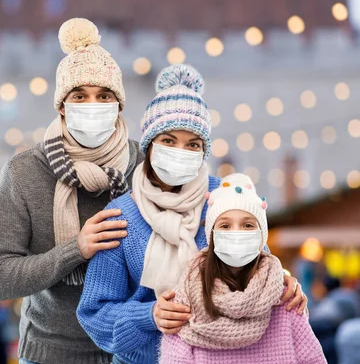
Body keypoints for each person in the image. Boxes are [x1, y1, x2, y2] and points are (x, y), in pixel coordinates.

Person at [77, 65, 307, 364]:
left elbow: (261, 271)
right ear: (149, 146)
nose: (180, 151)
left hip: (224, 356)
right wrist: (148, 315)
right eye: (169, 141)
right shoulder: (120, 217)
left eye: (193, 144)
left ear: (203, 151)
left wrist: (284, 284)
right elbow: (95, 312)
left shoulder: (226, 197)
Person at [0, 17, 144, 364]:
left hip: (138, 349)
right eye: (80, 96)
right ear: (61, 105)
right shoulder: (24, 172)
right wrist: (76, 249)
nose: (93, 105)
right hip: (51, 353)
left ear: (119, 105)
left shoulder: (145, 165)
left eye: (104, 96)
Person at [159, 174, 325, 364]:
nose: (236, 232)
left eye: (247, 225)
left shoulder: (286, 298)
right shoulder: (185, 300)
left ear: (261, 237)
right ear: (212, 236)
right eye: (225, 225)